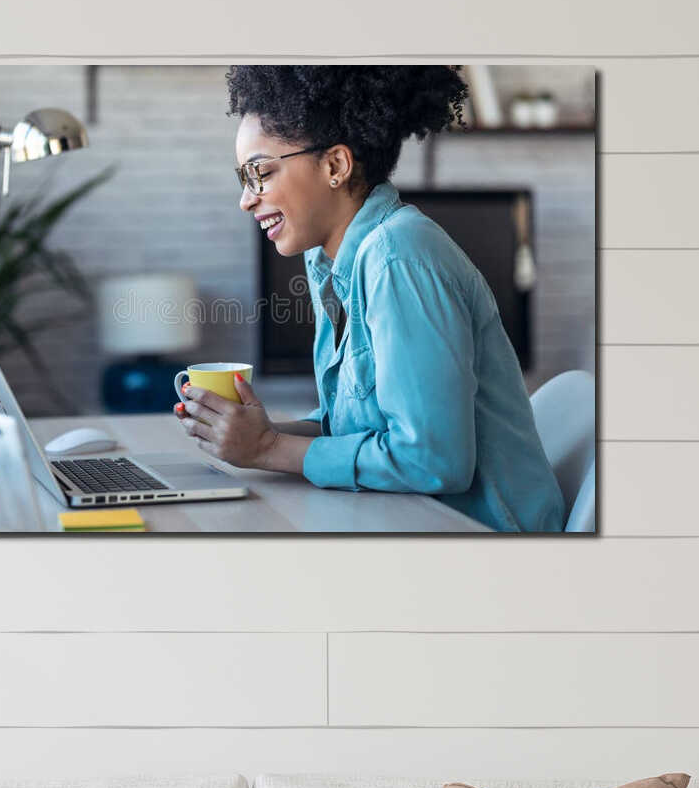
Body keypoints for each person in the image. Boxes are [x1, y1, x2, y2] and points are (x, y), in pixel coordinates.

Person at [175, 65, 567, 534]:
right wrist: (260, 433)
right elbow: (353, 427)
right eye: (244, 177)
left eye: (260, 172)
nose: (246, 199)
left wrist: (265, 450)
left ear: (335, 166)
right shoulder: (334, 262)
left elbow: (432, 461)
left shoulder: (399, 256)